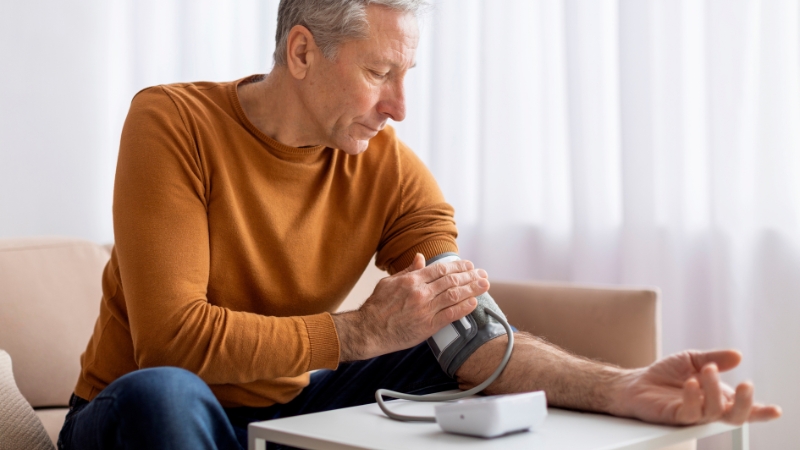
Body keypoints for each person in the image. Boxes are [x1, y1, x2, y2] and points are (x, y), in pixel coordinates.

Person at [57, 1, 781, 449]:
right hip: (139, 415)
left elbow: (473, 339)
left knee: (442, 351)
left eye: (407, 76)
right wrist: (356, 335)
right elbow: (170, 340)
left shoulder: (386, 165)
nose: (399, 106)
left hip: (282, 404)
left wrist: (623, 388)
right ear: (303, 52)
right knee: (167, 392)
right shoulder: (173, 123)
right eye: (380, 74)